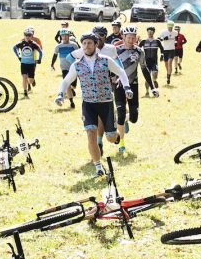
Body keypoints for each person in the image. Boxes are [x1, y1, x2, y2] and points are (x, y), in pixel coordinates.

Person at [55, 32, 132, 176]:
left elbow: (121, 72)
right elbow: (66, 80)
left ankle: (121, 122)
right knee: (91, 133)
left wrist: (127, 87)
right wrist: (60, 94)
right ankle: (98, 166)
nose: (86, 46)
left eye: (89, 43)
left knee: (111, 138)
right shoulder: (77, 65)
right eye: (84, 43)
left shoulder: (105, 60)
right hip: (88, 104)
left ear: (96, 45)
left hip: (106, 103)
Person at [114, 26, 157, 153]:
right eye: (128, 37)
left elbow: (144, 69)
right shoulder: (116, 51)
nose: (131, 39)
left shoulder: (139, 51)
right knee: (120, 113)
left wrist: (153, 87)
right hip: (119, 85)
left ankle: (125, 120)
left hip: (133, 85)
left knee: (134, 118)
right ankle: (121, 142)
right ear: (123, 37)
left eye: (133, 37)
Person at [51, 29, 80, 108]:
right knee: (67, 84)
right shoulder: (58, 46)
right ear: (61, 37)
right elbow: (55, 55)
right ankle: (71, 102)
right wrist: (52, 64)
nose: (64, 37)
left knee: (73, 86)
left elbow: (78, 55)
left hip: (73, 67)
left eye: (66, 35)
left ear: (68, 36)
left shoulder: (74, 45)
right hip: (64, 68)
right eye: (63, 36)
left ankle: (72, 89)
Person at [13, 27, 43, 97]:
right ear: (24, 35)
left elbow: (41, 51)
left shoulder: (34, 44)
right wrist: (18, 56)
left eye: (29, 35)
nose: (27, 37)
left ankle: (31, 81)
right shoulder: (21, 43)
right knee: (24, 77)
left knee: (30, 80)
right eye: (26, 35)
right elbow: (14, 48)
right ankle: (25, 91)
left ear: (31, 36)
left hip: (31, 64)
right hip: (23, 63)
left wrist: (39, 59)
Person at [139, 26, 162, 95]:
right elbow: (137, 49)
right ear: (147, 32)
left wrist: (162, 55)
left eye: (151, 31)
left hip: (154, 62)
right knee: (147, 78)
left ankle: (154, 81)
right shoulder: (143, 41)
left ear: (153, 32)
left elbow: (162, 49)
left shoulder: (157, 41)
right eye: (149, 31)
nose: (150, 32)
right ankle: (147, 91)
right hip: (146, 62)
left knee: (155, 75)